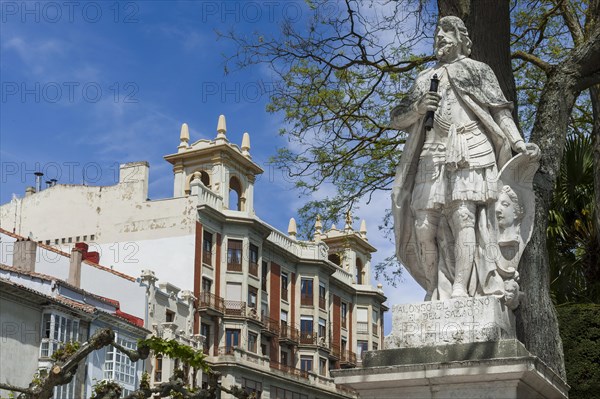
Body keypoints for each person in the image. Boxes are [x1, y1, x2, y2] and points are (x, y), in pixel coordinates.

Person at [391, 16, 532, 300]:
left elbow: (500, 112)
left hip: (471, 146)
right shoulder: (425, 79)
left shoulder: (478, 71)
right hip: (432, 151)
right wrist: (418, 109)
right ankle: (434, 287)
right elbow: (397, 118)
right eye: (437, 32)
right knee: (423, 224)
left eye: (446, 31)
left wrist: (518, 143)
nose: (439, 37)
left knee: (464, 216)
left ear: (461, 38)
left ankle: (459, 287)